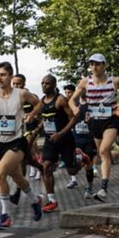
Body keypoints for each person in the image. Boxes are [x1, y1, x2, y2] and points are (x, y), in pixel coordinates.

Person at [68, 54, 119, 202]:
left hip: (110, 120)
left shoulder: (115, 81)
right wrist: (74, 108)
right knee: (104, 154)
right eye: (91, 64)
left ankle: (103, 189)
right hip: (94, 122)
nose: (94, 67)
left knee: (103, 151)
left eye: (97, 64)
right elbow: (72, 99)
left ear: (104, 65)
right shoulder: (86, 82)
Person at [0, 62, 43, 229]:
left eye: (2, 75)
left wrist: (32, 114)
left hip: (17, 141)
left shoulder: (21, 94)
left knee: (0, 174)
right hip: (0, 143)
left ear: (10, 76)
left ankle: (6, 215)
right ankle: (35, 200)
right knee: (17, 177)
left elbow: (39, 103)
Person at [35, 74, 80, 212]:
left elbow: (73, 118)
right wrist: (37, 129)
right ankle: (52, 201)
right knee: (46, 167)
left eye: (47, 83)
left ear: (54, 85)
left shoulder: (60, 100)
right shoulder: (42, 101)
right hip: (50, 140)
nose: (44, 85)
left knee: (71, 169)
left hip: (65, 139)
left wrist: (61, 133)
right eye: (42, 83)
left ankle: (81, 159)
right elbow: (46, 119)